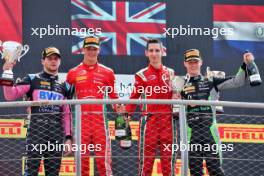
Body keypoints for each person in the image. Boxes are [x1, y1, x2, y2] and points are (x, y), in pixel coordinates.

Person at [175, 49, 254, 176]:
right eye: (190, 62)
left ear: (201, 62)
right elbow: (172, 108)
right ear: (185, 64)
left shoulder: (211, 81)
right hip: (191, 134)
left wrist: (245, 64)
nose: (193, 64)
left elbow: (237, 81)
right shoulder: (179, 84)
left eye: (196, 61)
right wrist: (177, 98)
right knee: (195, 173)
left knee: (216, 171)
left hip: (210, 133)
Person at [2, 47, 72, 176]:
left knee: (53, 173)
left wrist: (68, 138)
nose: (53, 61)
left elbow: (67, 114)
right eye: (49, 58)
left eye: (56, 58)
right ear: (42, 61)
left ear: (60, 61)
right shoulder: (32, 79)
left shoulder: (64, 85)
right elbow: (10, 95)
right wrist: (7, 72)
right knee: (31, 172)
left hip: (56, 134)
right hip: (36, 132)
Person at [66, 36, 121, 176]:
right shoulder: (73, 73)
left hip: (100, 123)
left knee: (104, 163)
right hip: (81, 123)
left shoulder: (108, 72)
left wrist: (121, 113)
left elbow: (114, 98)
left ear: (99, 50)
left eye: (94, 49)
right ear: (83, 50)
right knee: (81, 162)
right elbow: (65, 101)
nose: (91, 52)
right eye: (89, 49)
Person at [126, 38, 177, 176]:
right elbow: (133, 98)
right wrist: (126, 116)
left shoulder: (171, 73)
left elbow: (177, 95)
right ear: (146, 53)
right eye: (151, 51)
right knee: (146, 164)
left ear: (162, 52)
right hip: (150, 122)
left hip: (168, 122)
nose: (154, 54)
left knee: (169, 164)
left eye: (157, 50)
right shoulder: (141, 75)